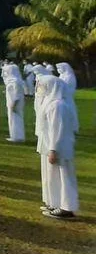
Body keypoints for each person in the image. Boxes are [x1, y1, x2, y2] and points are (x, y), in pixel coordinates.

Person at [37, 75, 79, 219]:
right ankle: (55, 203)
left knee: (63, 177)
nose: (39, 88)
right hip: (52, 146)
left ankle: (67, 208)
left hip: (59, 147)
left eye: (42, 85)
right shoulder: (50, 103)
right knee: (53, 177)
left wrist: (53, 149)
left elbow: (57, 129)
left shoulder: (57, 105)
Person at [2, 63, 25, 142]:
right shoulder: (12, 80)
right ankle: (14, 135)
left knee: (15, 119)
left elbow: (17, 93)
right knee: (12, 119)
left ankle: (17, 137)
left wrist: (14, 104)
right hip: (12, 102)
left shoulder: (15, 81)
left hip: (15, 103)